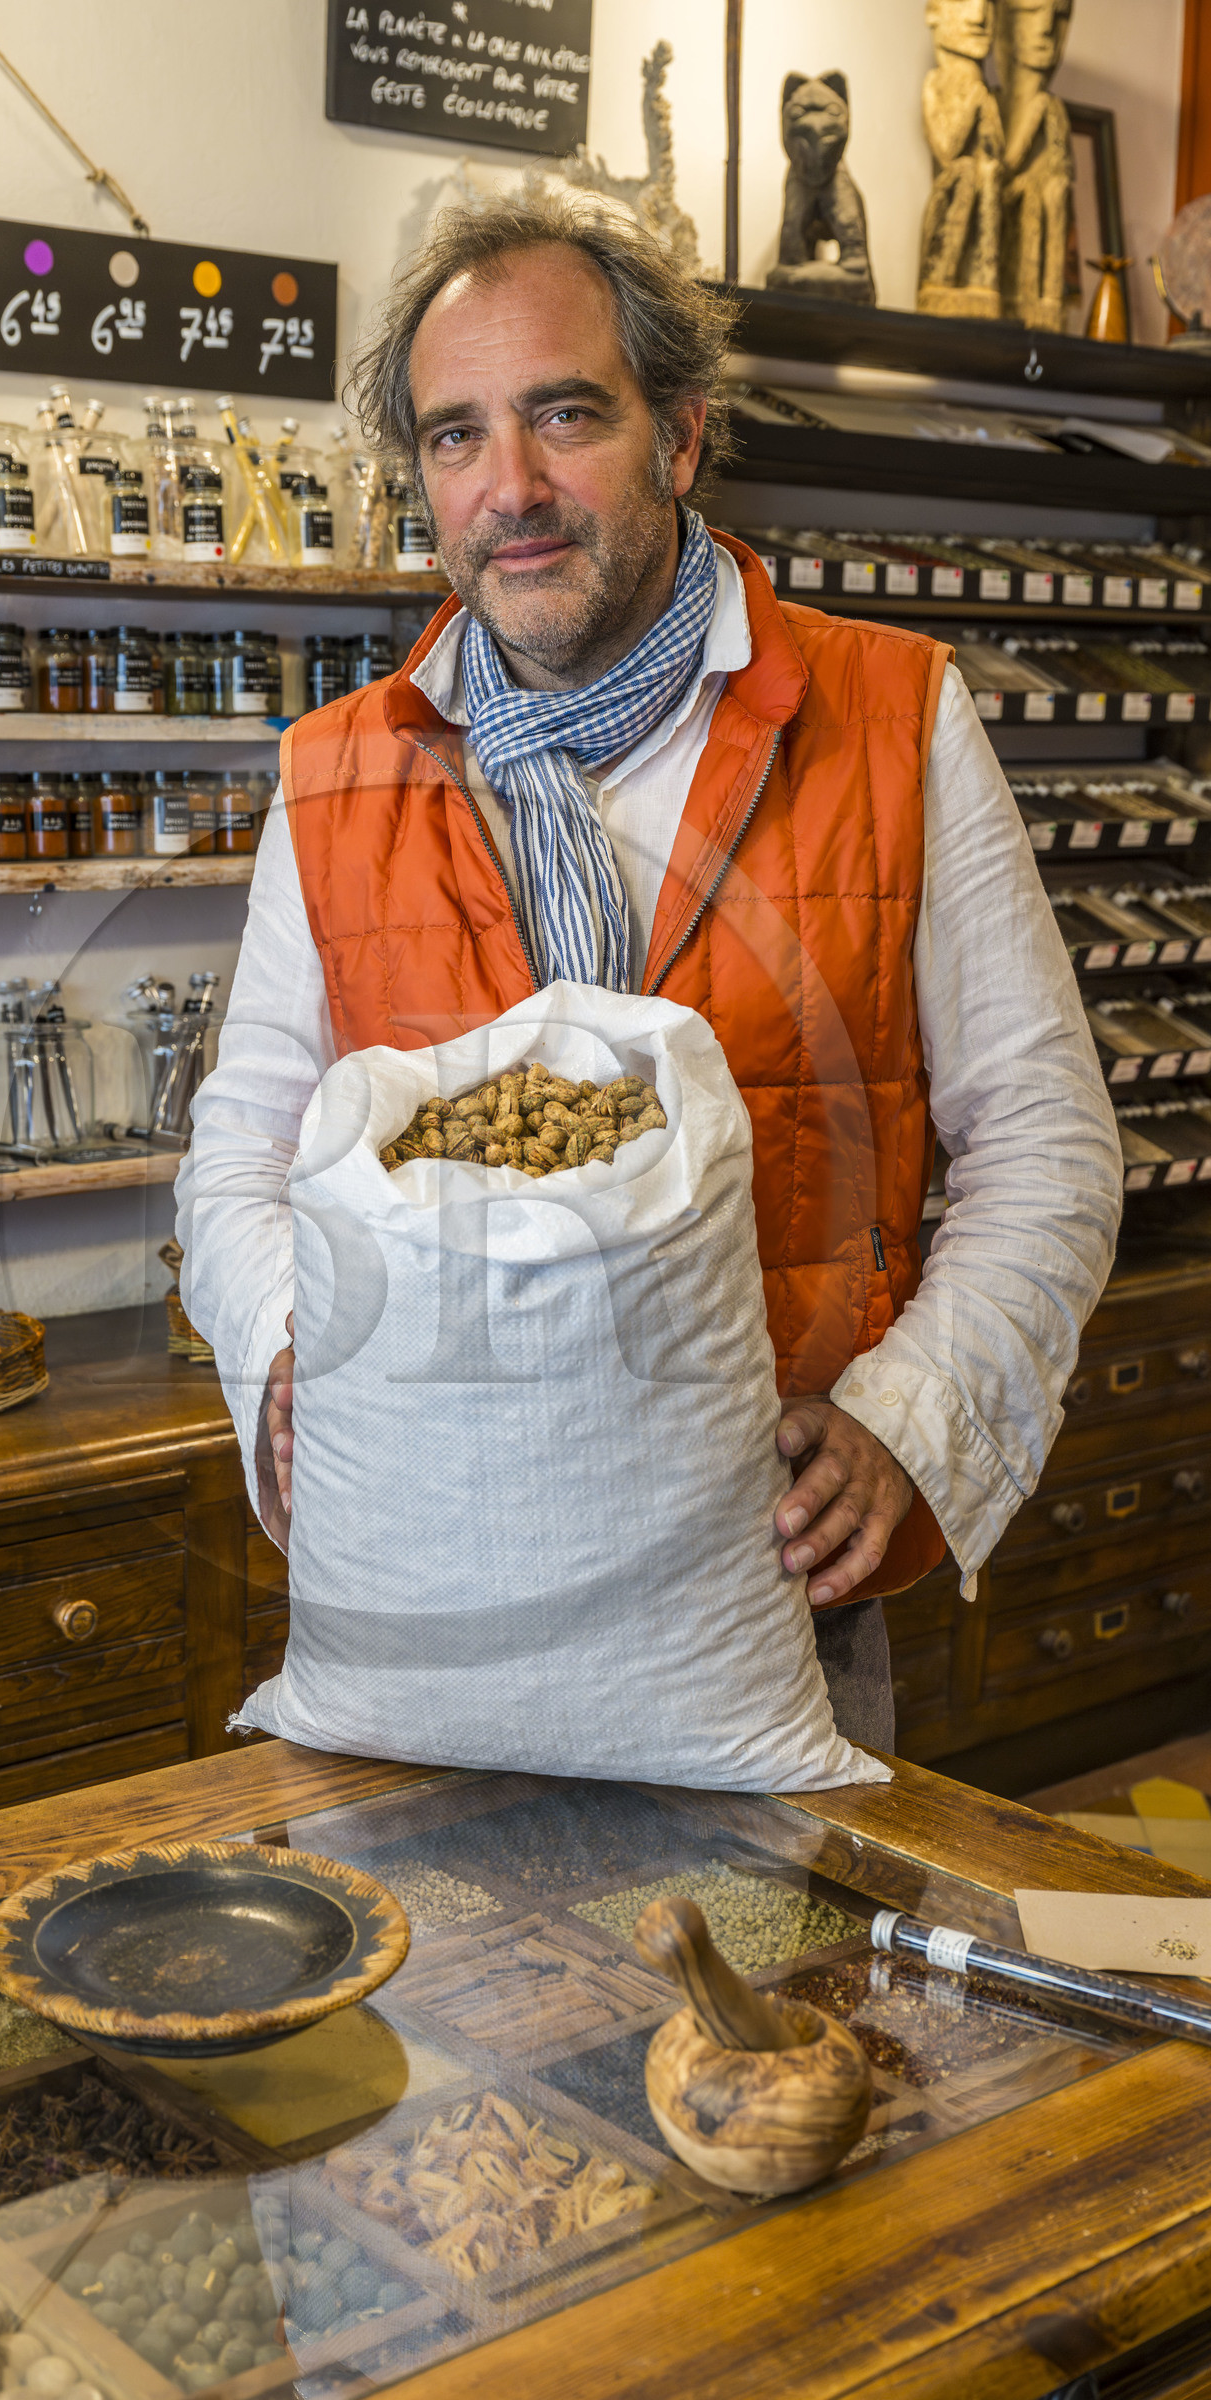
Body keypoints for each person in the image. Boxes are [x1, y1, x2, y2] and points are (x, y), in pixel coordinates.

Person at [176, 191, 1121, 1749]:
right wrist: (287, 1351)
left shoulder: (892, 719)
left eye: (567, 415)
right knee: (441, 1996)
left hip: (763, 1594)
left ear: (682, 436)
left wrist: (909, 1423)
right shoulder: (338, 771)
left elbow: (1045, 1147)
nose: (514, 489)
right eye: (458, 436)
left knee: (768, 1992)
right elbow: (247, 1144)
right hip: (429, 1584)